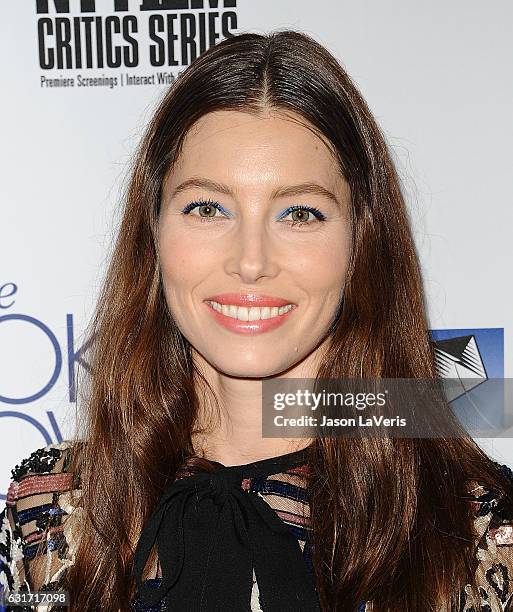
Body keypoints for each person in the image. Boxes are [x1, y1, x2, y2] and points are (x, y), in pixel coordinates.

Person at [1, 29, 513, 612]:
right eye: (208, 207)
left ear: (361, 243)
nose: (250, 261)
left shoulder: (472, 533)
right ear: (154, 234)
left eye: (299, 212)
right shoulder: (53, 509)